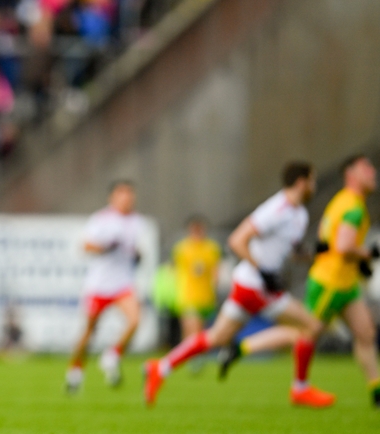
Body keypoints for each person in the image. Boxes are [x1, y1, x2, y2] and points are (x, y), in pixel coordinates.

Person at [143, 161, 335, 408]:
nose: (314, 186)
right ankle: (300, 389)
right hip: (256, 286)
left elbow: (290, 250)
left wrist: (315, 252)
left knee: (216, 337)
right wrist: (263, 271)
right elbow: (236, 241)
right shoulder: (276, 209)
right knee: (311, 326)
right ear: (301, 182)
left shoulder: (299, 214)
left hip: (251, 285)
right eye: (312, 181)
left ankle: (161, 367)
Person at [219, 154, 379, 407]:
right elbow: (343, 244)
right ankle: (259, 359)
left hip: (345, 281)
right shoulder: (351, 206)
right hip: (331, 281)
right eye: (366, 168)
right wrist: (368, 253)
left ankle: (376, 389)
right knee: (308, 329)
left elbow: (326, 239)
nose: (373, 172)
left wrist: (355, 261)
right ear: (351, 174)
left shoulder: (340, 202)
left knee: (365, 333)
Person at [66, 180, 144, 392]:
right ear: (113, 197)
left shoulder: (136, 221)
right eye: (123, 194)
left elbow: (133, 250)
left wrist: (137, 255)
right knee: (90, 331)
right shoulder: (102, 219)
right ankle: (75, 370)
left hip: (122, 284)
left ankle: (112, 355)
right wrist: (106, 247)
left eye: (130, 194)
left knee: (135, 320)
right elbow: (86, 245)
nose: (127, 198)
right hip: (99, 285)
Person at [171, 215, 221, 372]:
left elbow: (215, 271)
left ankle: (192, 356)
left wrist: (214, 287)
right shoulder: (182, 248)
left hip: (205, 296)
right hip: (187, 294)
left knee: (199, 330)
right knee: (190, 327)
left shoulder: (211, 248)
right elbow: (175, 270)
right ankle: (190, 359)